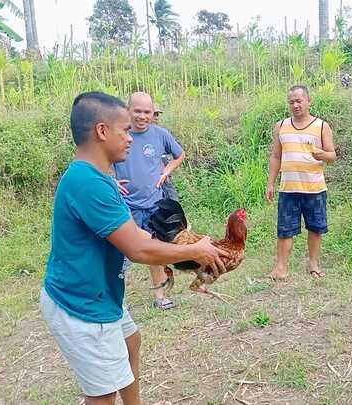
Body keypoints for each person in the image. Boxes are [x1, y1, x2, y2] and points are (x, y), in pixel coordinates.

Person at [41, 91, 228, 404]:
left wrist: (185, 243)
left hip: (98, 294)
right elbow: (137, 250)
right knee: (102, 394)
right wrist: (195, 252)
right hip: (81, 304)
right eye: (125, 130)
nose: (131, 137)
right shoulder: (90, 185)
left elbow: (137, 236)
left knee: (131, 342)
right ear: (102, 131)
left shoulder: (99, 178)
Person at [113, 92, 186, 310]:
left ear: (153, 112)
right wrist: (109, 181)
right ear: (128, 111)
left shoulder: (160, 134)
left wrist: (166, 172)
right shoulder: (120, 135)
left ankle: (160, 297)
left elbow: (179, 155)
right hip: (127, 206)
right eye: (137, 111)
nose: (142, 116)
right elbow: (99, 160)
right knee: (119, 255)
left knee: (155, 250)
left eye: (147, 112)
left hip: (155, 205)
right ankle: (117, 301)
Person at [261, 85, 337, 281]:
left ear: (308, 101)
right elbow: (276, 156)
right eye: (291, 102)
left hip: (314, 187)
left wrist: (323, 155)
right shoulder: (281, 126)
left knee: (315, 227)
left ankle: (313, 264)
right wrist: (270, 183)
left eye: (299, 101)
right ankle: (280, 268)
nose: (295, 105)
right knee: (285, 229)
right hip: (288, 188)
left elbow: (332, 155)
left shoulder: (321, 126)